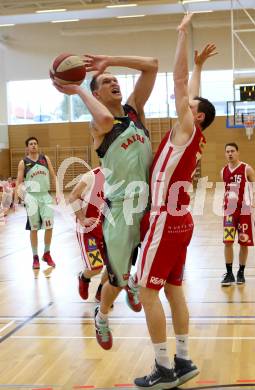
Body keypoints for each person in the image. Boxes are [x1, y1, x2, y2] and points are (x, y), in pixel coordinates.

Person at [53, 53, 158, 350]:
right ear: (96, 93)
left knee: (150, 264)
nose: (115, 82)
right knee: (117, 279)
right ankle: (102, 315)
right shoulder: (99, 126)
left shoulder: (134, 111)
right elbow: (104, 117)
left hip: (150, 205)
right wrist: (77, 89)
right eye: (107, 81)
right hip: (121, 211)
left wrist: (110, 60)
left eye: (116, 80)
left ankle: (133, 283)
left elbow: (152, 65)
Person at [134, 14, 216, 389]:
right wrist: (199, 65)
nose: (184, 101)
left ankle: (164, 368)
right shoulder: (192, 130)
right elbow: (192, 88)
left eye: (190, 104)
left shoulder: (187, 127)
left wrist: (182, 37)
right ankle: (183, 359)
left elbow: (181, 83)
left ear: (195, 115)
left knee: (147, 291)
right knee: (173, 289)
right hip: (181, 223)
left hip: (165, 219)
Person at [221, 142, 255, 286]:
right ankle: (229, 273)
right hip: (229, 212)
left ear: (238, 152)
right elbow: (226, 190)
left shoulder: (246, 169)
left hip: (244, 212)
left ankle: (241, 272)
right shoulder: (223, 171)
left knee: (243, 243)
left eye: (232, 151)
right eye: (227, 151)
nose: (230, 154)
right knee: (227, 242)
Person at [14, 137, 58, 269]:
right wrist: (17, 197)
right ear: (27, 147)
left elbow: (53, 175)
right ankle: (35, 257)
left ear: (38, 146)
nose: (33, 146)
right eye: (30, 144)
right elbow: (19, 181)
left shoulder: (45, 158)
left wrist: (58, 193)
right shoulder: (23, 162)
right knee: (34, 229)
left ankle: (47, 253)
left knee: (49, 226)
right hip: (31, 197)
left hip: (45, 195)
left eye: (35, 144)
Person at [68, 166, 108, 301]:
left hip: (109, 230)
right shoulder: (93, 175)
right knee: (96, 267)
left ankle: (102, 291)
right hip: (89, 231)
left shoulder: (120, 176)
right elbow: (72, 195)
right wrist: (82, 218)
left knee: (115, 266)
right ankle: (83, 277)